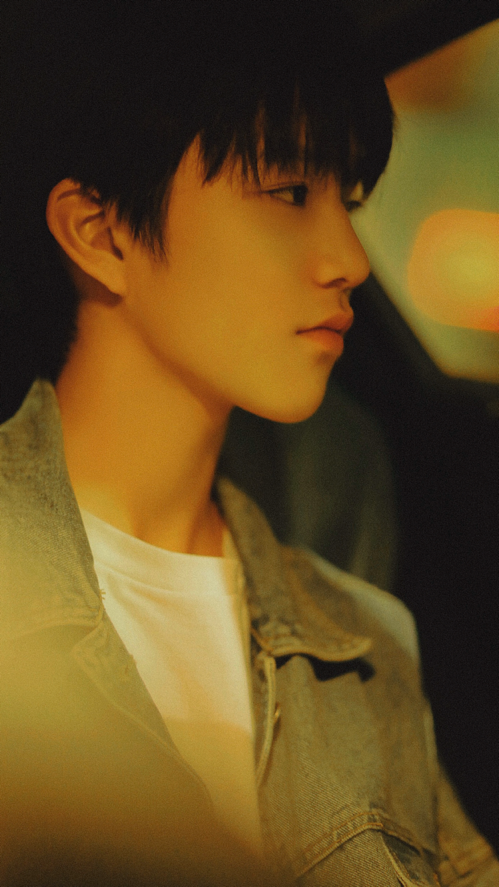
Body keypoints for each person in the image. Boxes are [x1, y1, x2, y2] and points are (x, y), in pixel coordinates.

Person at [1, 1, 497, 884]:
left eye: (347, 201)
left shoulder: (365, 644)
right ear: (99, 232)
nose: (349, 257)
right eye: (288, 193)